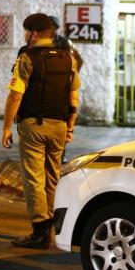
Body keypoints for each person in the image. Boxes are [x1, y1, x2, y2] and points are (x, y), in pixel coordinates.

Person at [2, 13, 80, 249]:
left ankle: (39, 229)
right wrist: (71, 125)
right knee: (52, 177)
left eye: (26, 32)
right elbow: (73, 95)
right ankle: (51, 225)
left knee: (34, 178)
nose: (25, 36)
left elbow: (16, 94)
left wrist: (6, 127)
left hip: (33, 126)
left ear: (34, 33)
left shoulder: (28, 57)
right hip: (59, 126)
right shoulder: (69, 58)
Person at [49, 15, 83, 164]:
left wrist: (71, 77)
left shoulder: (65, 43)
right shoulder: (42, 42)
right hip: (49, 85)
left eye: (53, 26)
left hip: (61, 87)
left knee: (62, 119)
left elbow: (79, 60)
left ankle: (60, 152)